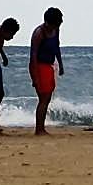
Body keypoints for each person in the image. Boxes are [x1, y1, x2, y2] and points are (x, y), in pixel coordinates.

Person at [29, 7, 64, 135]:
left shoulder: (56, 29)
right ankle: (39, 129)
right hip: (39, 66)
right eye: (55, 24)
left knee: (47, 98)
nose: (57, 26)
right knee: (43, 98)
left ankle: (41, 127)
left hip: (49, 65)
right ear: (48, 22)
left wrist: (60, 63)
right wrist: (35, 77)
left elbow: (56, 46)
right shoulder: (39, 33)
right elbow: (33, 56)